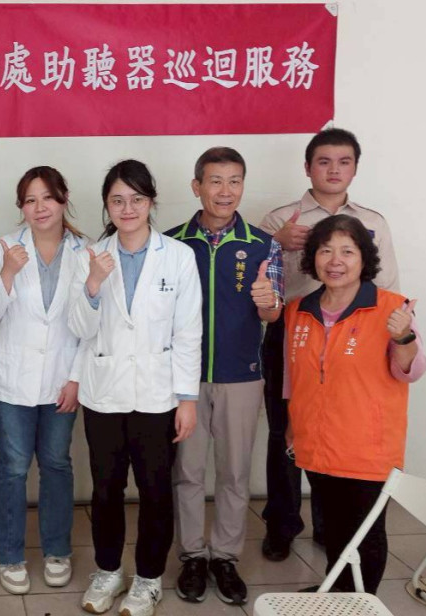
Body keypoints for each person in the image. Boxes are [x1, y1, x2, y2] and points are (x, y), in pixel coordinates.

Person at [258, 128, 401, 561]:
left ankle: (330, 524)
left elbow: (387, 286)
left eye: (344, 162)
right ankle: (282, 523)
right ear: (308, 167)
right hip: (292, 333)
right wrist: (275, 244)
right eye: (324, 161)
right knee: (286, 430)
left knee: (339, 428)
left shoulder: (373, 222)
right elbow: (253, 281)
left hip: (356, 337)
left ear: (355, 168)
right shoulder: (279, 220)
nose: (334, 170)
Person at [69, 159, 202, 616]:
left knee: (155, 489)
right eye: (117, 200)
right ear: (106, 205)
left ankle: (148, 579)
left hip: (157, 394)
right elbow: (78, 328)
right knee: (106, 489)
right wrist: (92, 284)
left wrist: (187, 399)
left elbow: (188, 332)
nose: (127, 209)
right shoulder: (89, 255)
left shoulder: (177, 256)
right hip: (103, 391)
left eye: (137, 199)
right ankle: (108, 571)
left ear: (151, 202)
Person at [166, 147, 284, 605]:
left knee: (235, 472)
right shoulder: (173, 243)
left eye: (234, 181)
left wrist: (267, 303)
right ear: (197, 186)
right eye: (215, 181)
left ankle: (225, 557)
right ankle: (193, 556)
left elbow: (273, 314)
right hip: (184, 379)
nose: (225, 191)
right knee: (188, 471)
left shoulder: (263, 244)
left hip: (242, 375)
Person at [284, 215, 425, 594]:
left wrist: (404, 337)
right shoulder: (299, 309)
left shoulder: (392, 309)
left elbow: (411, 370)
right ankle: (337, 593)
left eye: (347, 251)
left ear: (364, 259)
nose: (335, 261)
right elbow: (295, 374)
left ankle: (360, 601)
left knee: (365, 533)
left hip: (367, 446)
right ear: (313, 257)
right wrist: (293, 424)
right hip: (316, 441)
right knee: (332, 526)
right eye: (325, 250)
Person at [0, 166, 86, 595]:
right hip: (11, 381)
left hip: (61, 378)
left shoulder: (86, 250)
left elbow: (90, 324)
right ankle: (9, 554)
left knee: (56, 464)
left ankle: (57, 550)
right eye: (30, 200)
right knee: (14, 465)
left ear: (63, 199)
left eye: (48, 198)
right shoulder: (5, 247)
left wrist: (76, 379)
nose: (40, 208)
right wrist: (7, 273)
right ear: (21, 206)